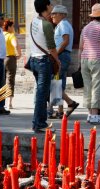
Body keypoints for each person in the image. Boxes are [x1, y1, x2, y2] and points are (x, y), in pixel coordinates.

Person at [29, 0, 60, 133]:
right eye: (51, 4)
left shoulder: (33, 22)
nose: (52, 6)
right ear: (46, 6)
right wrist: (57, 61)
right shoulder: (46, 25)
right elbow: (52, 47)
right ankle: (39, 123)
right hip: (43, 61)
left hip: (34, 60)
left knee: (41, 93)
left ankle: (39, 121)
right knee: (42, 94)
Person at [79, 3, 100, 125]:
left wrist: (80, 61)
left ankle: (90, 114)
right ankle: (94, 115)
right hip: (98, 59)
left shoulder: (85, 28)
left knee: (88, 87)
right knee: (98, 86)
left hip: (85, 59)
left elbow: (81, 47)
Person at [48, 5, 79, 119]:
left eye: (54, 14)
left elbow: (66, 41)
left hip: (62, 55)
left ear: (62, 14)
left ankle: (70, 103)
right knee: (59, 83)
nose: (52, 16)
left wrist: (55, 54)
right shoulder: (61, 25)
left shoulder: (64, 24)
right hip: (62, 55)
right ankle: (60, 111)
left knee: (54, 83)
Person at [3, 19, 21, 109]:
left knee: (1, 80)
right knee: (10, 80)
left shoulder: (2, 35)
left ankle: (0, 103)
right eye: (12, 26)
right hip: (10, 58)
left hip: (1, 59)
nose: (13, 28)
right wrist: (17, 52)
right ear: (9, 27)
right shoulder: (11, 35)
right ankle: (9, 103)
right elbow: (15, 44)